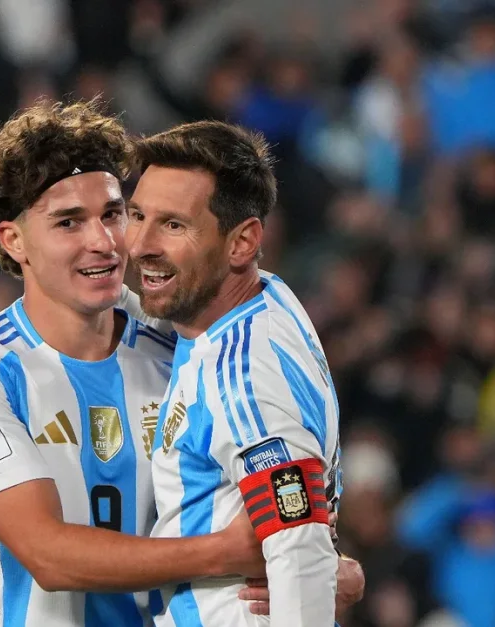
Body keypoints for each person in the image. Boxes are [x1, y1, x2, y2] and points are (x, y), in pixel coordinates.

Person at [0, 99, 361, 626]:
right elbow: (48, 555)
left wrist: (320, 562)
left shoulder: (186, 344)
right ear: (14, 241)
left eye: (113, 214)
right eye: (68, 223)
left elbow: (271, 477)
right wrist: (237, 551)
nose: (103, 243)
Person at [126, 120, 344, 626]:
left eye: (174, 225)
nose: (140, 245)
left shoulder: (241, 373)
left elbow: (298, 541)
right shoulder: (262, 300)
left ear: (242, 243)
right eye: (138, 216)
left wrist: (323, 574)